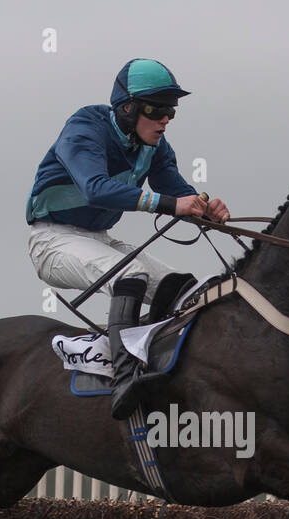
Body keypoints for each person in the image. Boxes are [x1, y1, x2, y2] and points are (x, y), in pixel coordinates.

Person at [25, 58, 229, 419]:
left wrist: (204, 205)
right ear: (128, 108)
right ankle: (124, 378)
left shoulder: (156, 147)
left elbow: (176, 192)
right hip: (51, 241)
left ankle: (161, 362)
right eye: (158, 109)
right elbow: (95, 189)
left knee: (187, 289)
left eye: (171, 110)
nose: (166, 119)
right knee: (130, 277)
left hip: (98, 239)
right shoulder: (85, 127)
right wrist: (171, 204)